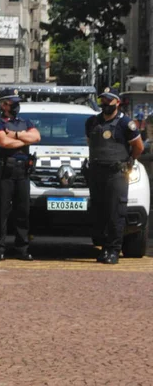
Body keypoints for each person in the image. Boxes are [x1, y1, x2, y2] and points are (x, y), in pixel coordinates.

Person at [85, 87, 144, 264]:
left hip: (116, 172)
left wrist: (128, 161)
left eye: (109, 101)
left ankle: (113, 250)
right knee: (100, 212)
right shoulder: (92, 122)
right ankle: (104, 248)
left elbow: (138, 147)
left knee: (115, 212)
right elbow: (91, 143)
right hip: (97, 171)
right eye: (103, 100)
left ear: (117, 102)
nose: (105, 104)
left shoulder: (126, 123)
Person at [0, 88, 41, 261]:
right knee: (1, 211)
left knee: (23, 211)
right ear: (4, 104)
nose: (16, 105)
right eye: (13, 102)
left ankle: (22, 248)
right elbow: (3, 142)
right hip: (5, 171)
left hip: (23, 171)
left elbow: (36, 138)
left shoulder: (25, 122)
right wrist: (22, 139)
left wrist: (16, 135)